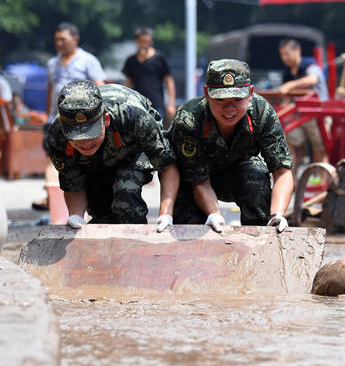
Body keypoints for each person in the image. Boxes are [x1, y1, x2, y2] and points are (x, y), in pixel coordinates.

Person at [168, 59, 294, 233]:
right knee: (188, 220)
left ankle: (257, 240)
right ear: (207, 93)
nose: (229, 108)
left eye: (237, 99)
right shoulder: (189, 119)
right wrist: (214, 213)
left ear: (250, 93)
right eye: (220, 99)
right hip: (197, 180)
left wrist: (277, 215)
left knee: (256, 175)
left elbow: (282, 171)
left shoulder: (261, 112)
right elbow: (199, 180)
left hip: (239, 175)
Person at [43, 80, 179, 231]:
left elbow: (167, 164)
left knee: (125, 190)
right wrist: (76, 216)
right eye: (76, 136)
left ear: (106, 120)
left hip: (135, 148)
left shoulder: (133, 116)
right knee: (102, 214)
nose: (85, 142)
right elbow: (72, 181)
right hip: (95, 161)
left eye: (91, 133)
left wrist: (166, 214)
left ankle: (133, 238)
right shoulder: (57, 135)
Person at [35, 22, 106, 210]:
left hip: (81, 121)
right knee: (53, 156)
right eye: (56, 39)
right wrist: (47, 115)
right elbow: (51, 90)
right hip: (55, 120)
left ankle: (89, 199)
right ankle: (52, 198)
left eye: (63, 39)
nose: (59, 43)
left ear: (75, 39)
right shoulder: (52, 63)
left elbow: (101, 88)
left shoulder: (88, 60)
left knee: (82, 157)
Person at [274, 38, 328, 167]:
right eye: (282, 55)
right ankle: (294, 178)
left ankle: (320, 177)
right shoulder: (287, 74)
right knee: (292, 143)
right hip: (297, 116)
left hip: (317, 114)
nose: (284, 58)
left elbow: (312, 79)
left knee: (319, 147)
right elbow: (286, 99)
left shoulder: (310, 65)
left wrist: (290, 85)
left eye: (287, 53)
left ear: (297, 51)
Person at [123, 26, 177, 122]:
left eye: (147, 42)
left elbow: (169, 81)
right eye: (142, 41)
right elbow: (127, 83)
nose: (145, 44)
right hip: (137, 104)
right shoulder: (131, 60)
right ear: (136, 41)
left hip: (156, 104)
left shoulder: (159, 58)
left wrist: (171, 104)